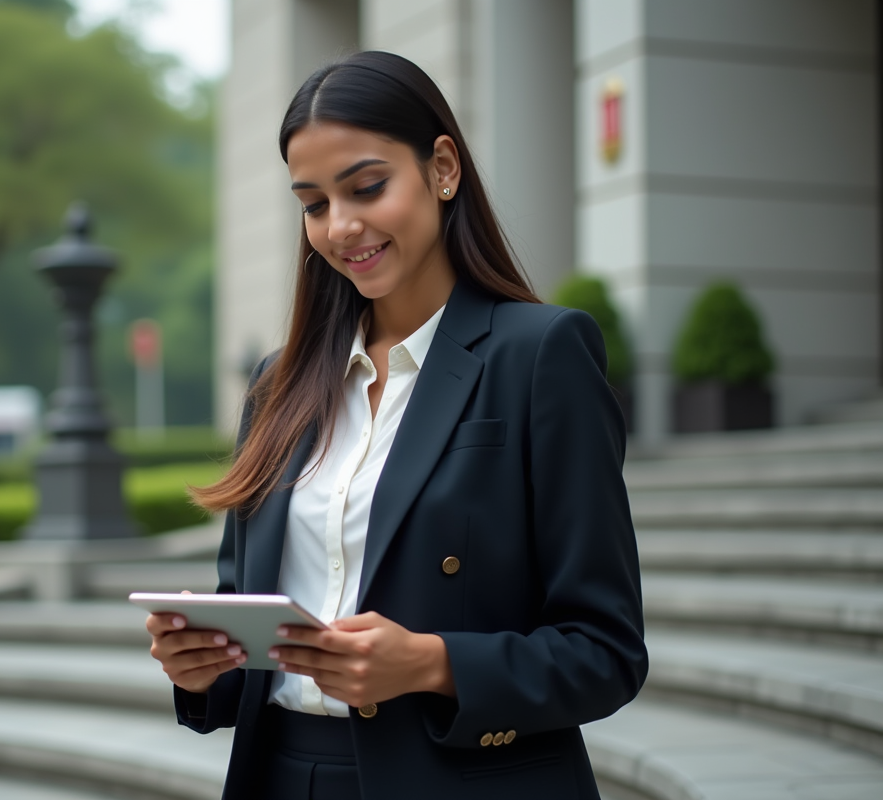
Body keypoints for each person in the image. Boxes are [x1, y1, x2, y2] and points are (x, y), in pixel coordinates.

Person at [146, 50, 647, 800]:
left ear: (442, 168)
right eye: (314, 204)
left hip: (460, 781)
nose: (341, 226)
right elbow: (245, 623)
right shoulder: (278, 385)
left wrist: (430, 663)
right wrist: (202, 670)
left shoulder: (540, 355)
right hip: (284, 778)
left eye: (367, 187)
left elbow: (605, 652)